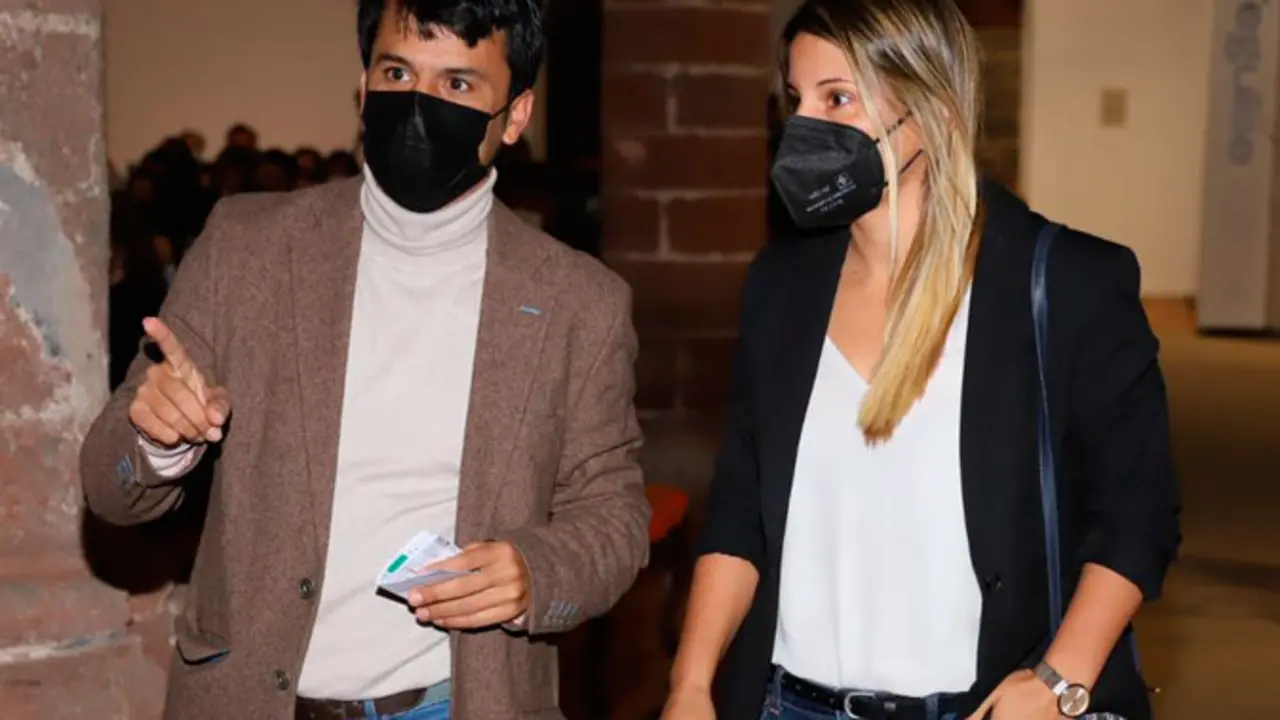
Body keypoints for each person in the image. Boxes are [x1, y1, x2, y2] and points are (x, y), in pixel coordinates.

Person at [80, 0, 651, 718]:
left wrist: (535, 572)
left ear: (515, 116)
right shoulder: (246, 249)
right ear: (363, 86)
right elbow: (108, 483)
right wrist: (158, 439)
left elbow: (613, 514)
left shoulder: (578, 303)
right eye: (398, 73)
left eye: (457, 84)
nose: (419, 104)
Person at [661, 1, 1180, 720]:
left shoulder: (1064, 283)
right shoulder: (782, 286)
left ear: (932, 109)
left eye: (837, 98)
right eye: (795, 99)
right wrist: (690, 685)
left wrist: (1059, 681)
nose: (801, 127)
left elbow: (1136, 512)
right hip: (790, 704)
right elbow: (740, 510)